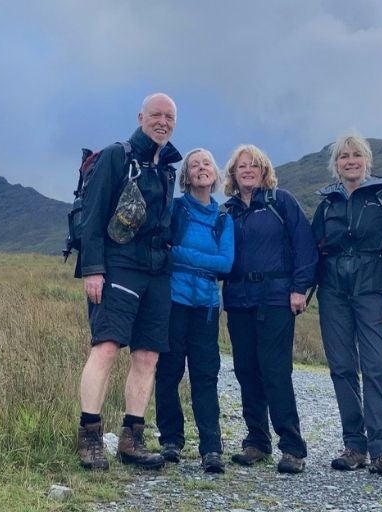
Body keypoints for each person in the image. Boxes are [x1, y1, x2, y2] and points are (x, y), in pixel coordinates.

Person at [74, 93, 181, 471]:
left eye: (169, 117)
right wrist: (93, 269)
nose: (163, 122)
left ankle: (131, 440)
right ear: (140, 117)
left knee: (147, 355)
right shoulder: (115, 157)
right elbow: (92, 217)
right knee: (106, 347)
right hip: (119, 266)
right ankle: (89, 437)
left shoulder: (167, 168)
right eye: (156, 115)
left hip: (157, 271)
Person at [311, 133, 382, 478]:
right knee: (341, 367)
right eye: (344, 156)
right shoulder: (328, 203)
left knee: (375, 367)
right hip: (333, 292)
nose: (350, 161)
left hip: (373, 290)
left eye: (356, 155)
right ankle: (354, 446)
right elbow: (312, 249)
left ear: (366, 161)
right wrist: (299, 289)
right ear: (336, 164)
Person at [221, 144, 316, 474]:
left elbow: (305, 245)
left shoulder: (281, 201)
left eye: (254, 165)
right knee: (246, 370)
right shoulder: (227, 211)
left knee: (275, 371)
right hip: (238, 300)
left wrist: (299, 288)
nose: (248, 170)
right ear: (233, 174)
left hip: (276, 299)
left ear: (264, 171)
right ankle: (257, 442)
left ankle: (291, 447)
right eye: (242, 166)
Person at [154, 148, 235, 474]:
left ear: (215, 174)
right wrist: (203, 263)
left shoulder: (223, 219)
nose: (201, 168)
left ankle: (211, 448)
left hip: (206, 309)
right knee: (168, 372)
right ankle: (171, 441)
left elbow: (225, 264)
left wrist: (182, 254)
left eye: (207, 164)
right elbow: (165, 251)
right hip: (174, 303)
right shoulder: (176, 209)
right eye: (194, 165)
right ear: (186, 177)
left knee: (205, 376)